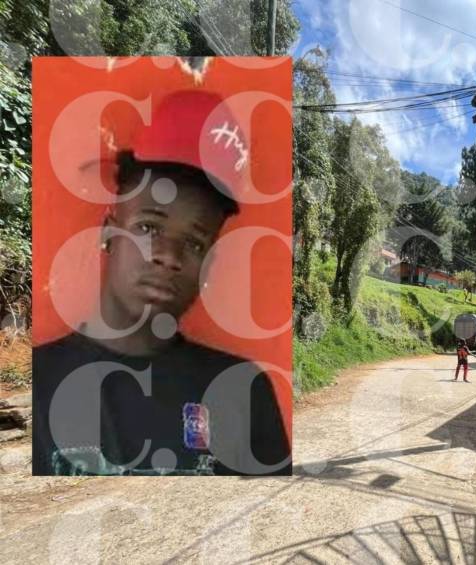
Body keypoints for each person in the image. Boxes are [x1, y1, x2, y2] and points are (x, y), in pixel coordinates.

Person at [33, 90, 291, 476]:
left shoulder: (243, 392)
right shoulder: (39, 384)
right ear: (108, 231)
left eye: (193, 242)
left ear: (209, 263)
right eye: (149, 226)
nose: (168, 256)